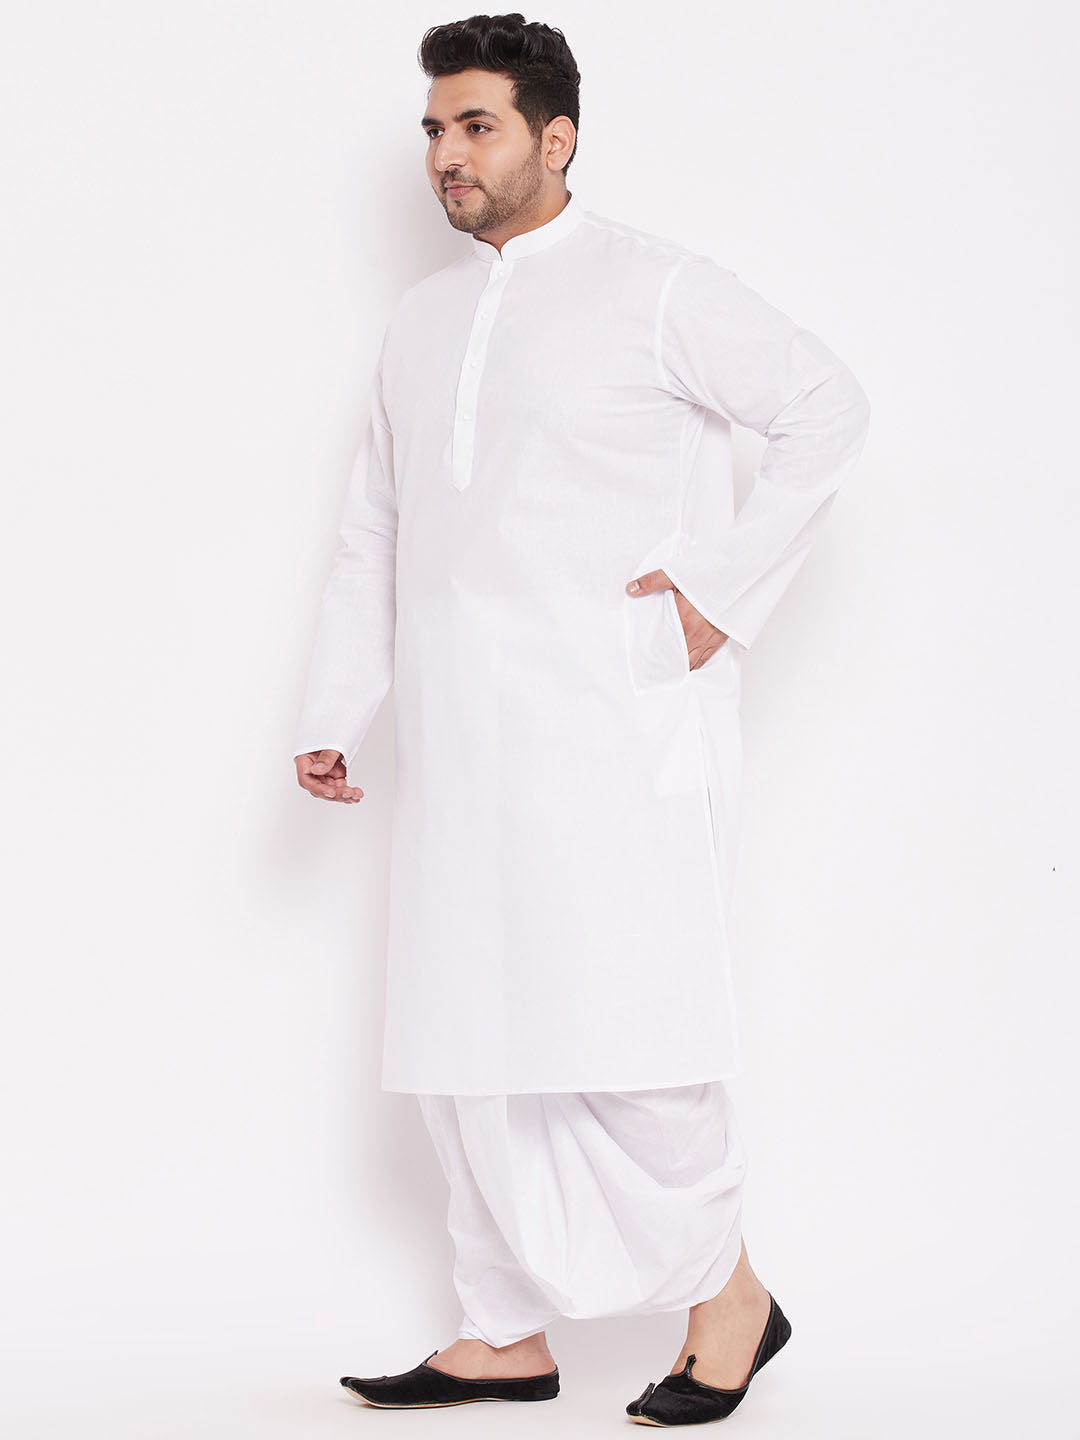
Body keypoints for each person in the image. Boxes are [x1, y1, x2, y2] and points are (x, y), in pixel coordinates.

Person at [292, 12, 869, 1426]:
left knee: (634, 1024)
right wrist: (338, 706)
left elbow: (826, 406)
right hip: (459, 736)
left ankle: (727, 1297)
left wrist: (719, 595)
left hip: (615, 725)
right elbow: (378, 527)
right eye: (435, 129)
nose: (448, 154)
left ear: (556, 137)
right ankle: (504, 1332)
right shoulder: (421, 321)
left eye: (476, 125)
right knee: (462, 1040)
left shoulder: (657, 287)